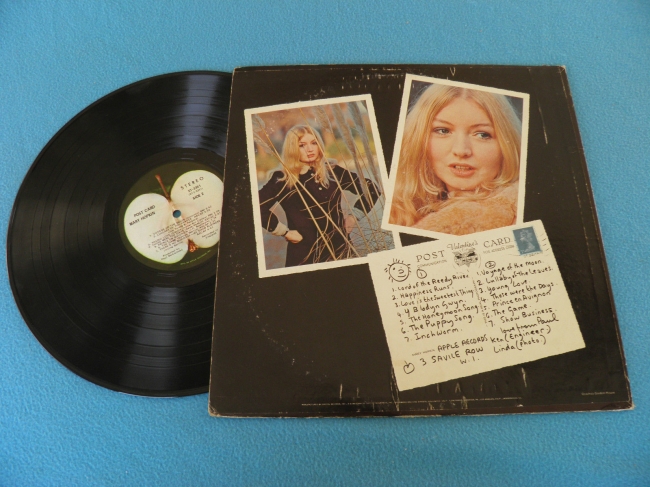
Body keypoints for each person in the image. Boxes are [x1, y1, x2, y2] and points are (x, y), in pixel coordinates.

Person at [389, 83, 522, 235]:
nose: (461, 150)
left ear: (507, 145)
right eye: (443, 131)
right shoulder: (400, 209)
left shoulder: (516, 217)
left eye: (482, 134)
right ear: (418, 138)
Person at [259, 125, 380, 267]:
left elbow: (372, 189)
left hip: (341, 249)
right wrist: (284, 232)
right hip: (305, 256)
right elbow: (256, 207)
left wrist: (353, 217)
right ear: (292, 148)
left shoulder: (332, 171)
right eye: (302, 145)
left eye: (314, 143)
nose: (310, 149)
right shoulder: (283, 179)